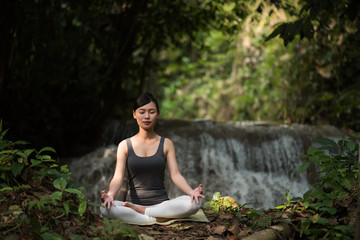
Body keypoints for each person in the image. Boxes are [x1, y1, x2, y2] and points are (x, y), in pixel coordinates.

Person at [100, 92, 205, 223]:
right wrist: (110, 196)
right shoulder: (125, 145)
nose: (147, 116)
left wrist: (191, 192)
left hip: (162, 206)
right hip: (132, 206)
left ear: (158, 114)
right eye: (142, 112)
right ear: (134, 114)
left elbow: (176, 175)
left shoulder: (166, 143)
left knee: (194, 203)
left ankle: (146, 213)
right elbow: (118, 177)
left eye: (151, 112)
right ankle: (156, 218)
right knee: (104, 208)